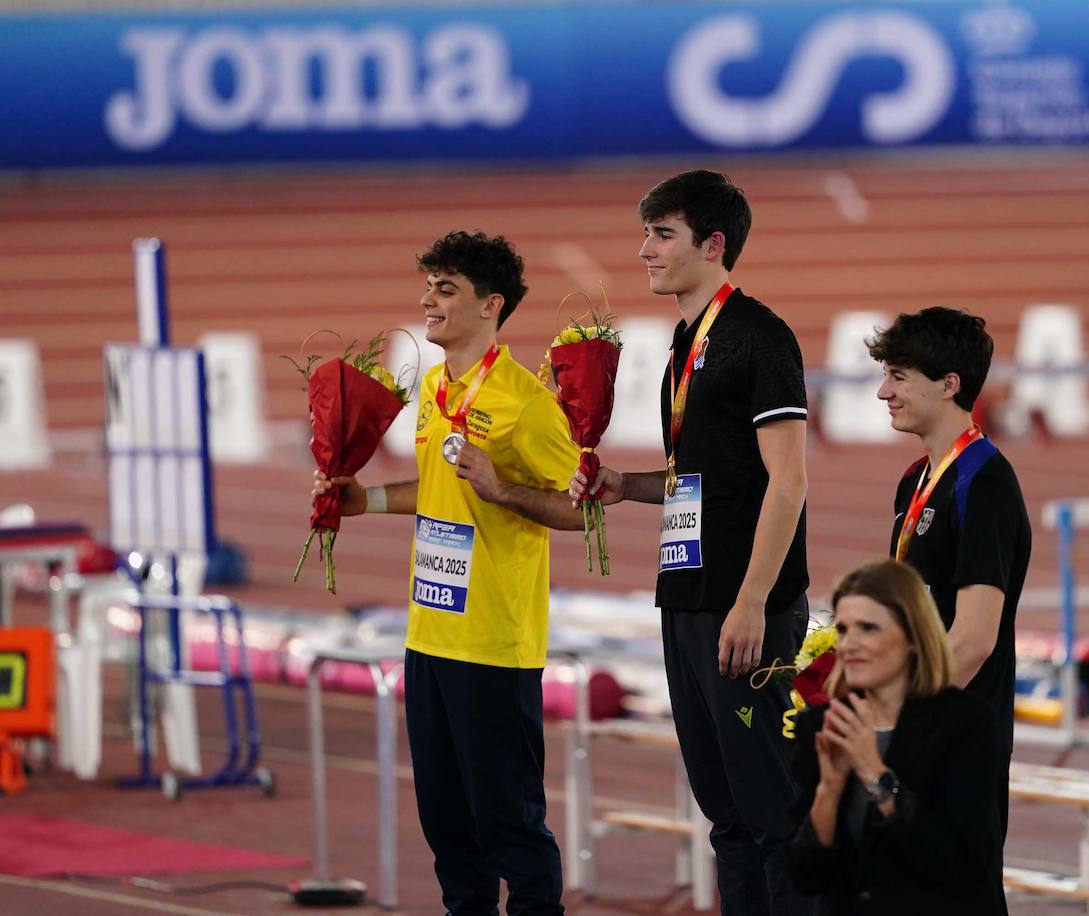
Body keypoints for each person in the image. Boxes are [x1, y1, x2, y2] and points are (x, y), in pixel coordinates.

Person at [313, 230, 586, 915]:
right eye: (427, 286)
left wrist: (504, 491)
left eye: (445, 289)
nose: (426, 301)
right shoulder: (435, 388)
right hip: (429, 636)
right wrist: (367, 498)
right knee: (447, 829)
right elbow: (438, 488)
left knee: (510, 827)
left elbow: (583, 511)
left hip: (494, 645)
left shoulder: (527, 403)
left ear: (490, 305)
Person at [569, 170, 812, 915]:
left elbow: (787, 480)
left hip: (743, 611)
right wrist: (624, 484)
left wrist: (752, 602)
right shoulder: (685, 344)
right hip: (687, 602)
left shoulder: (758, 338)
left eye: (662, 235)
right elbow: (700, 476)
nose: (644, 250)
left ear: (713, 244)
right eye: (646, 233)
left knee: (774, 814)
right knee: (727, 816)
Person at [868, 307, 1031, 838]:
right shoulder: (914, 480)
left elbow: (974, 639)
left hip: (956, 740)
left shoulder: (985, 482)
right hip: (916, 730)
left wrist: (896, 722)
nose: (883, 392)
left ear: (948, 385)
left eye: (898, 377)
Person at [786, 560, 1008, 915]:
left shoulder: (965, 723)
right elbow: (805, 876)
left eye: (868, 629)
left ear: (913, 638)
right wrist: (828, 789)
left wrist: (875, 774)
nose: (850, 645)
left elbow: (958, 865)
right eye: (843, 629)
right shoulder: (823, 724)